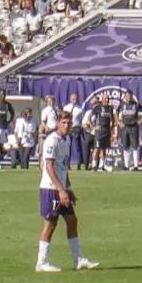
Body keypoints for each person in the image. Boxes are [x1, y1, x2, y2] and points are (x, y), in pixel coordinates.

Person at [35, 111, 96, 273]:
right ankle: (41, 262)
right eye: (64, 122)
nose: (67, 125)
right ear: (58, 123)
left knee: (71, 220)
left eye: (69, 123)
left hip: (62, 188)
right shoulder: (51, 141)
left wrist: (68, 189)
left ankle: (78, 259)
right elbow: (48, 167)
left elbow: (63, 167)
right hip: (50, 188)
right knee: (51, 224)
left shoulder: (67, 139)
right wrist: (61, 190)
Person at [116, 93, 142, 171]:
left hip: (133, 127)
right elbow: (115, 113)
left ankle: (136, 165)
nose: (128, 98)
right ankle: (126, 165)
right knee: (125, 146)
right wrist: (118, 122)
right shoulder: (122, 104)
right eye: (127, 96)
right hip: (125, 127)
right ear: (125, 97)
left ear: (132, 96)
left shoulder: (136, 104)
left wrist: (140, 121)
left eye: (129, 96)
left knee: (135, 146)